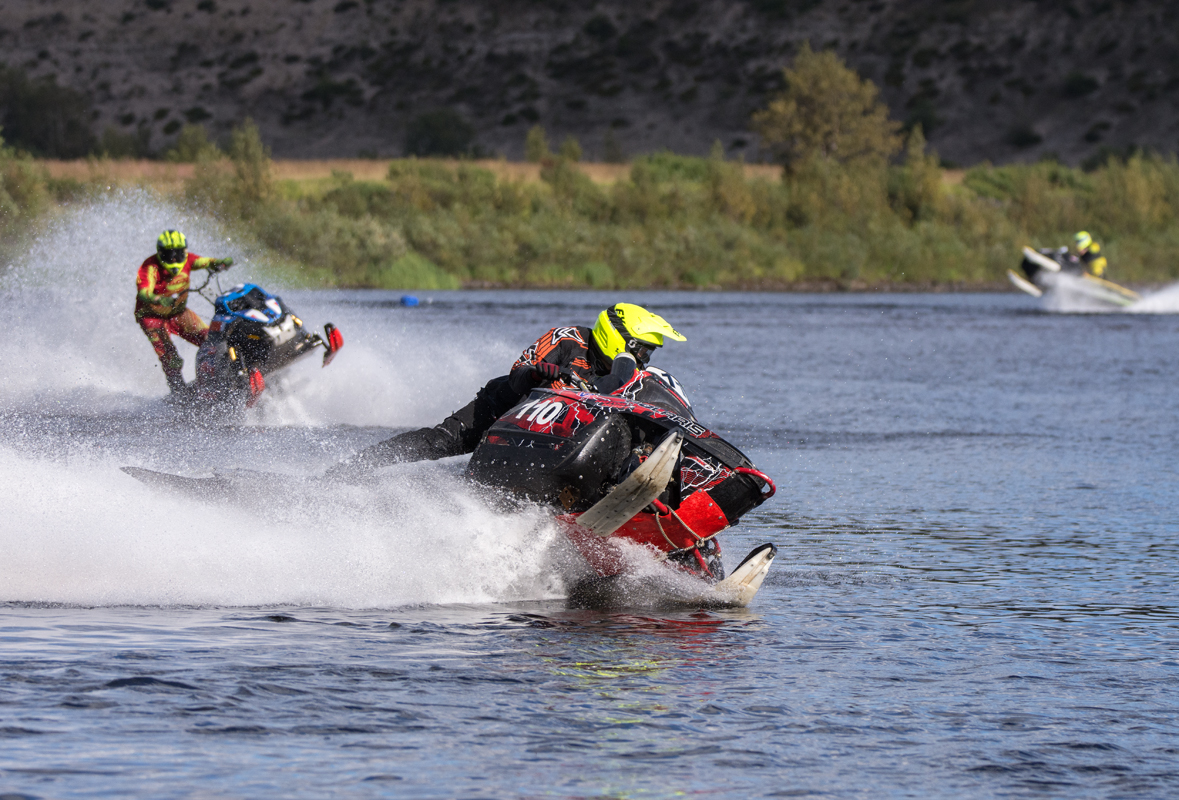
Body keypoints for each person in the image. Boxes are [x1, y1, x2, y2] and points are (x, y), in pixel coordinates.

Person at [325, 302, 686, 479]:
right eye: (641, 349)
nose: (643, 358)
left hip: (555, 437)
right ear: (618, 336)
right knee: (439, 442)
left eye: (648, 353)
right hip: (503, 412)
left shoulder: (631, 376)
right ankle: (351, 468)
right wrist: (537, 374)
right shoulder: (568, 340)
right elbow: (518, 376)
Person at [135, 230, 233, 394]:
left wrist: (221, 263)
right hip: (151, 317)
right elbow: (144, 292)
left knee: (212, 340)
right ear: (160, 253)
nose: (174, 259)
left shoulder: (189, 260)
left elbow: (207, 262)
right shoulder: (149, 267)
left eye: (178, 254)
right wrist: (159, 299)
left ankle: (223, 376)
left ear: (185, 252)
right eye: (169, 254)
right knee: (170, 358)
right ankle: (178, 393)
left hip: (178, 313)